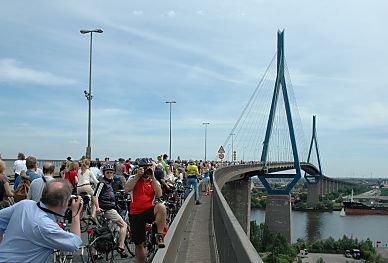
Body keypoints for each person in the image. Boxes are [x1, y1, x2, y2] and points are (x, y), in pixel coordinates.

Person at [0, 179, 83, 262]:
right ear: (63, 203)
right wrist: (76, 213)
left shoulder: (24, 205)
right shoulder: (45, 226)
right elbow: (75, 243)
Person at [125, 158, 167, 263]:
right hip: (135, 213)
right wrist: (138, 176)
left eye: (148, 168)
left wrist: (152, 177)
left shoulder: (153, 180)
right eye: (143, 168)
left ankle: (159, 235)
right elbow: (127, 189)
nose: (145, 170)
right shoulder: (133, 178)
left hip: (148, 210)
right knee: (139, 244)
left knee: (161, 207)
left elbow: (159, 194)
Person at [94, 164, 128, 258]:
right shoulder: (102, 183)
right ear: (104, 173)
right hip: (107, 209)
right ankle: (121, 246)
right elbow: (95, 195)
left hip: (107, 208)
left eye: (111, 172)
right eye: (107, 172)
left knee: (102, 230)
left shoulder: (109, 182)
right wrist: (97, 207)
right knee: (123, 225)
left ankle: (95, 253)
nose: (109, 174)